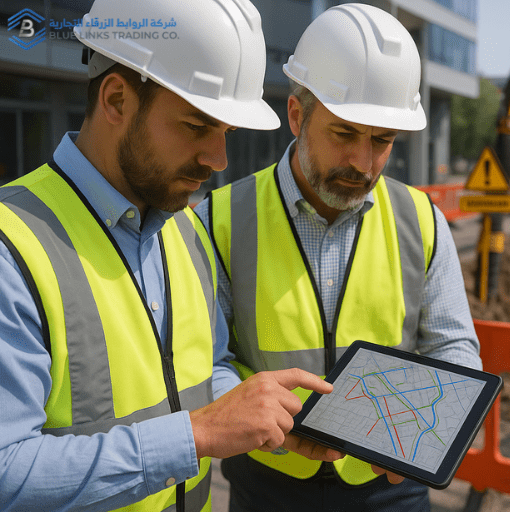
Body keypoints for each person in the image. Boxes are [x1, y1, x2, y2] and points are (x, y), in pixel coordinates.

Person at [0, 1, 341, 511]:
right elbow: (7, 471)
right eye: (197, 125)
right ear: (116, 99)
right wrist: (197, 435)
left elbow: (206, 367)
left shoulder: (186, 230)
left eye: (225, 132)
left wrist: (267, 413)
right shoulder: (12, 247)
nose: (218, 160)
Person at [194, 4, 482, 511]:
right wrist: (270, 420)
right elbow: (206, 360)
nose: (363, 162)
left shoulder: (422, 220)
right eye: (344, 133)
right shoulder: (220, 219)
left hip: (390, 486)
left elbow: (454, 346)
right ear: (297, 115)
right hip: (267, 481)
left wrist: (425, 429)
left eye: (382, 141)